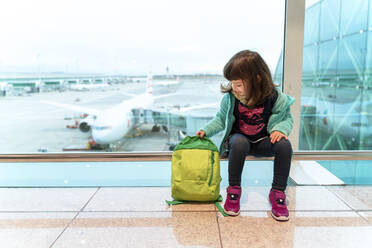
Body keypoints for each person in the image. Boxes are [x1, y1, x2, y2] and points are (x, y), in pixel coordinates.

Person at [196, 50, 295, 221]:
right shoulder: (231, 98)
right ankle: (234, 190)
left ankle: (278, 192)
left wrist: (280, 129)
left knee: (285, 146)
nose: (235, 88)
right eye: (232, 83)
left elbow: (286, 118)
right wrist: (206, 130)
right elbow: (221, 119)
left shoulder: (274, 97)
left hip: (264, 140)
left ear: (257, 79)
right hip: (240, 141)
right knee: (239, 142)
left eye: (239, 84)